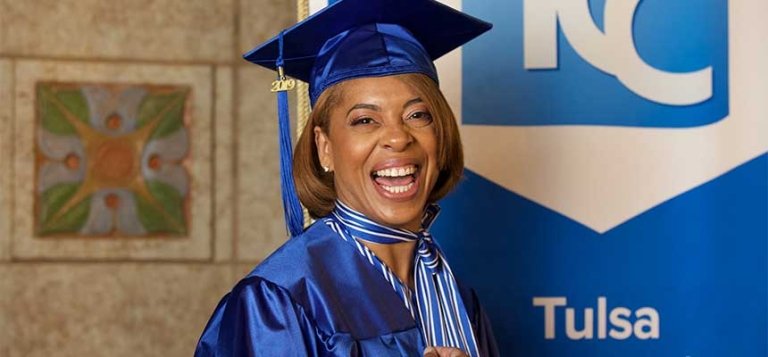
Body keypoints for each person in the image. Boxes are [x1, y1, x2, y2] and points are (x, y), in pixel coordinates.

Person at [195, 0, 497, 355]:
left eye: (418, 115)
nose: (398, 137)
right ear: (324, 147)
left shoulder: (456, 298)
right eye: (365, 120)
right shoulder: (280, 302)